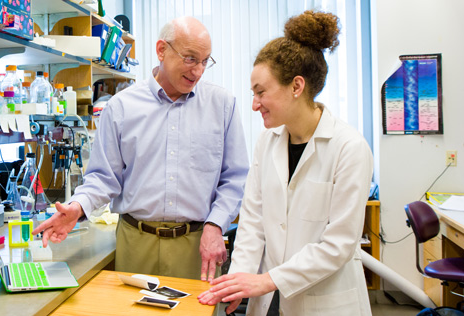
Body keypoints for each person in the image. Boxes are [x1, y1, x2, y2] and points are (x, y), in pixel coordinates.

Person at [32, 16, 249, 280]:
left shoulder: (222, 105)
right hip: (136, 242)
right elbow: (103, 178)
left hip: (197, 243)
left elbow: (234, 179)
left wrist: (216, 225)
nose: (198, 71)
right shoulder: (121, 107)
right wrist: (77, 208)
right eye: (190, 58)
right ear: (161, 50)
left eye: (205, 61)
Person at [197, 10, 373, 315]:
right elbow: (253, 221)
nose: (254, 104)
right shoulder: (268, 142)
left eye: (261, 92)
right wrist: (239, 280)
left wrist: (265, 280)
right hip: (269, 297)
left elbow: (338, 246)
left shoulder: (349, 148)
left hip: (326, 301)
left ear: (296, 86)